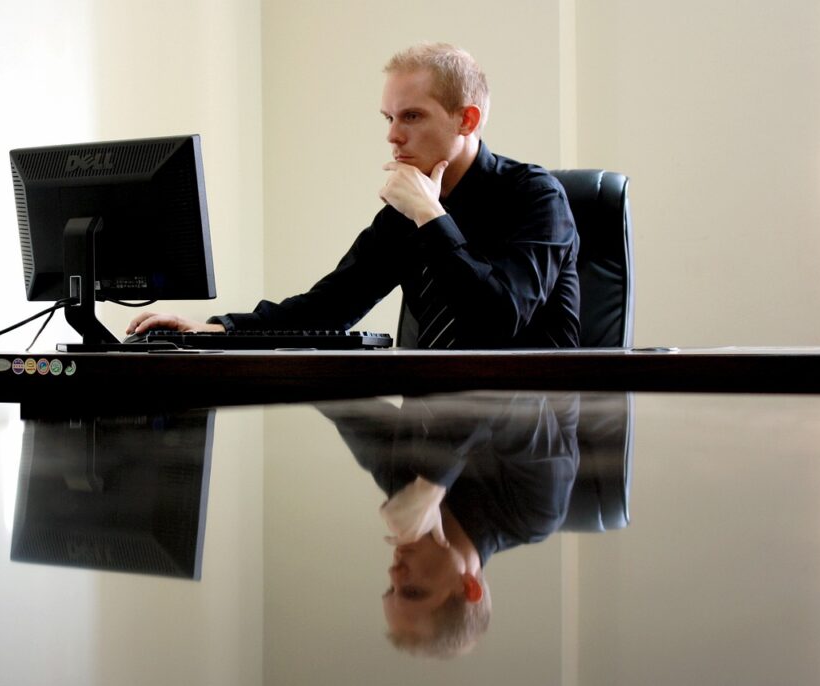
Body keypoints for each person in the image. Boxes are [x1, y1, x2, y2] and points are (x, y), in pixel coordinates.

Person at [129, 43, 580, 349]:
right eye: (388, 117)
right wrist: (215, 329)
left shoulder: (536, 197)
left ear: (466, 120)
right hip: (433, 432)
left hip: (525, 440)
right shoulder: (407, 211)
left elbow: (498, 320)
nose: (393, 136)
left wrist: (429, 214)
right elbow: (328, 308)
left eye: (412, 116)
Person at [318, 392, 580, 657]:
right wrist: (430, 485)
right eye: (412, 591)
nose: (394, 573)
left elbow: (342, 402)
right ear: (469, 586)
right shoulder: (534, 513)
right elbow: (502, 389)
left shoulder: (402, 488)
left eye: (390, 589)